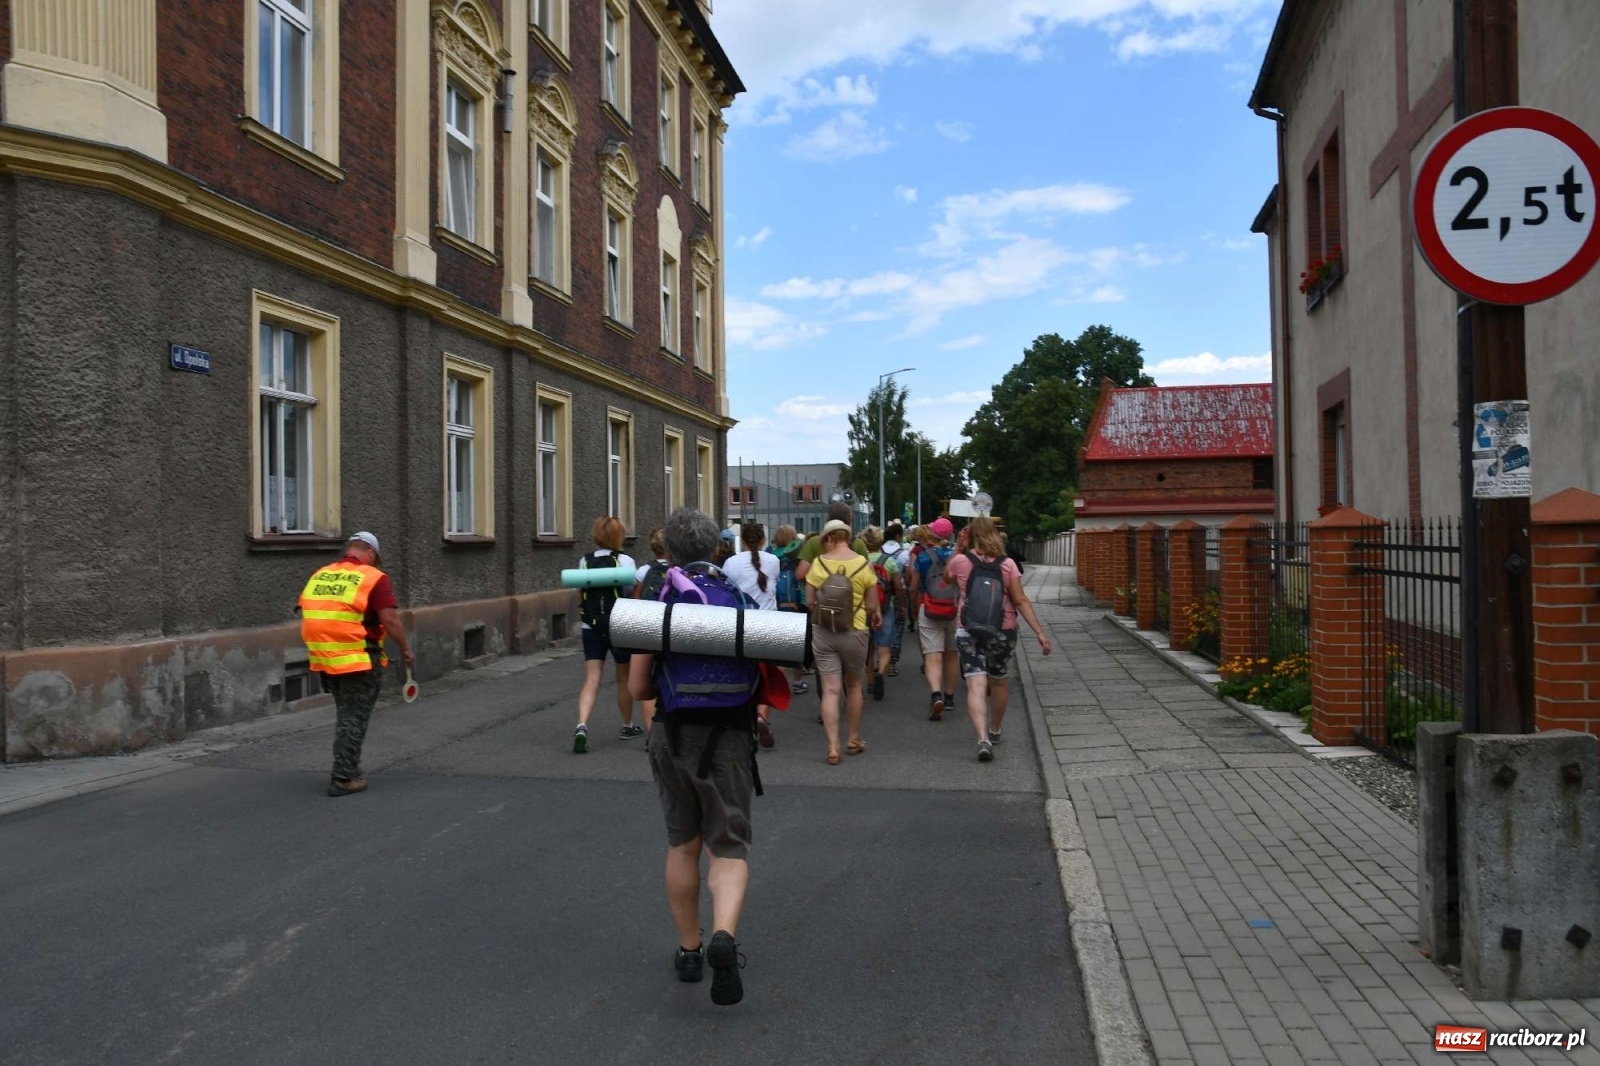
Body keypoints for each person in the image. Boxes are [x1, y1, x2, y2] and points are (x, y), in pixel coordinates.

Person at [627, 508, 763, 1007]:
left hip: (673, 732)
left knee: (682, 844)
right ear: (716, 550)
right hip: (729, 737)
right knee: (728, 847)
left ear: (667, 551)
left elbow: (640, 685)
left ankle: (690, 949)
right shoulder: (738, 597)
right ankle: (725, 934)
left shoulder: (657, 598)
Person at [299, 531, 414, 797]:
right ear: (371, 553)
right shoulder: (373, 577)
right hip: (358, 657)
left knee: (346, 714)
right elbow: (390, 620)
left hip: (325, 657)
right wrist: (406, 648)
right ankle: (343, 778)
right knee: (353, 718)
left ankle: (349, 764)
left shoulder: (322, 574)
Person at [944, 516, 1053, 762]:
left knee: (975, 684)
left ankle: (981, 739)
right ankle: (994, 730)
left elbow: (946, 577)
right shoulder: (1008, 565)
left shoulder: (961, 561)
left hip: (968, 630)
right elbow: (1020, 600)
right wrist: (1039, 632)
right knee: (999, 682)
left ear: (970, 536)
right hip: (1002, 631)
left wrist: (958, 547)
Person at [805, 519, 881, 764]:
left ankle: (832, 746)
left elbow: (809, 602)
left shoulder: (818, 563)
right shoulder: (863, 564)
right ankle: (853, 738)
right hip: (855, 630)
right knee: (854, 686)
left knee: (830, 689)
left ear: (828, 538)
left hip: (825, 631)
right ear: (848, 538)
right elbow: (871, 606)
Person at [574, 515, 640, 753]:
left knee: (591, 678)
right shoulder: (626, 561)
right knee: (623, 678)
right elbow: (630, 590)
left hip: (590, 626)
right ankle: (627, 725)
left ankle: (582, 724)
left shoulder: (585, 561)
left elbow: (581, 592)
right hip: (618, 625)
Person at [723, 521, 781, 747]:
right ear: (764, 540)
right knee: (767, 674)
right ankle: (761, 716)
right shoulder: (773, 561)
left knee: (742, 672)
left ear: (743, 541)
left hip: (743, 624)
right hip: (769, 624)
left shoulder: (731, 563)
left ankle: (742, 717)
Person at [909, 517, 961, 721]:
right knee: (951, 655)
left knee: (933, 654)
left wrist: (914, 608)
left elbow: (913, 586)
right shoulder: (959, 557)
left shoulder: (921, 557)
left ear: (932, 535)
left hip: (929, 607)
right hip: (954, 609)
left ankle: (935, 694)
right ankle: (949, 697)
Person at [634, 528, 672, 731]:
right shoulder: (680, 568)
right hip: (671, 627)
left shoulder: (643, 570)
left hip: (649, 627)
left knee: (648, 679)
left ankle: (651, 732)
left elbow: (637, 599)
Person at [861, 526, 905, 701]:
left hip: (864, 608)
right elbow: (898, 587)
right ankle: (881, 674)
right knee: (884, 648)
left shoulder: (860, 561)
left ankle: (871, 683)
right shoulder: (889, 561)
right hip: (885, 607)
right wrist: (901, 604)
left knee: (868, 649)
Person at [768, 525, 808, 695]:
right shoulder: (797, 554)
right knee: (796, 645)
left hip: (775, 602)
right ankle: (797, 682)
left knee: (778, 646)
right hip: (795, 601)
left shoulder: (770, 555)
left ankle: (777, 684)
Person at [794, 502, 867, 583]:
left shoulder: (814, 542)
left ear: (828, 519)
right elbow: (867, 577)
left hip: (822, 594)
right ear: (850, 519)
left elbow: (800, 574)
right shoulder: (858, 544)